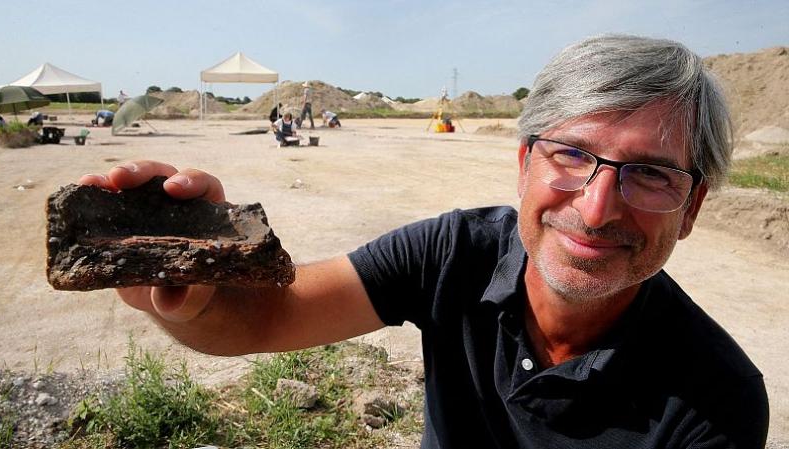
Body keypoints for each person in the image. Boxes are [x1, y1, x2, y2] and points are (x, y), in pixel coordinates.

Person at [79, 34, 768, 448]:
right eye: (571, 154)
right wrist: (197, 291)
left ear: (691, 207)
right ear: (524, 164)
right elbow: (268, 317)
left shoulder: (717, 399)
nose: (596, 207)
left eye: (649, 174)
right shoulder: (453, 254)